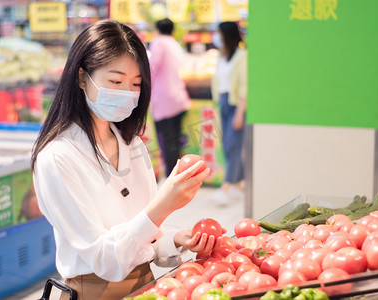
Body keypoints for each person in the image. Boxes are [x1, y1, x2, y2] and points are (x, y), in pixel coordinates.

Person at [31, 20, 220, 300]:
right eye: (116, 81)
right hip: (92, 290)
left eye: (135, 84)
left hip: (147, 285)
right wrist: (163, 205)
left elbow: (141, 236)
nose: (127, 93)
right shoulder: (58, 158)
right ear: (82, 78)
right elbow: (104, 259)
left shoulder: (132, 145)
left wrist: (175, 238)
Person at [209, 21, 247, 206]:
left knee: (233, 146)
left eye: (219, 33)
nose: (217, 37)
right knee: (229, 145)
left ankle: (226, 185)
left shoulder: (242, 56)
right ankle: (238, 184)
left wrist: (240, 112)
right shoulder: (221, 56)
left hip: (236, 104)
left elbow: (244, 86)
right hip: (223, 102)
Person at [149, 18, 191, 177]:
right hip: (179, 98)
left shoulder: (158, 42)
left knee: (167, 142)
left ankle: (172, 178)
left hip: (164, 101)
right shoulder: (175, 44)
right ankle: (178, 176)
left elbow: (153, 67)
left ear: (157, 30)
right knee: (175, 141)